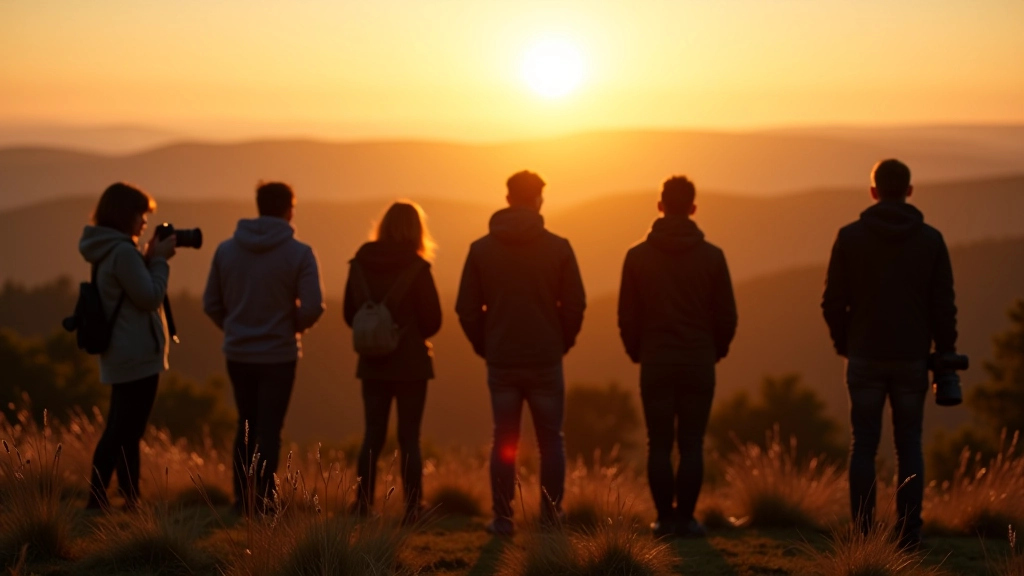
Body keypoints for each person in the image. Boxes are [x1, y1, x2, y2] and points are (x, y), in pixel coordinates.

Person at [822, 159, 958, 549]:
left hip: (863, 355)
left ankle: (863, 535)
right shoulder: (931, 240)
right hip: (912, 357)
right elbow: (943, 305)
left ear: (873, 191)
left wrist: (844, 344)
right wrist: (944, 352)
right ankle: (909, 534)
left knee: (863, 443)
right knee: (909, 443)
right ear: (909, 191)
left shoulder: (849, 237)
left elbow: (832, 302)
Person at [455, 170, 586, 536]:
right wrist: (562, 342)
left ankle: (502, 519)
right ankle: (550, 516)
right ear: (538, 200)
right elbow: (575, 304)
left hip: (502, 358)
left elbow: (466, 308)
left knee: (504, 438)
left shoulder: (481, 249)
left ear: (508, 198)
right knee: (551, 441)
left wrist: (486, 344)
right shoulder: (558, 247)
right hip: (546, 357)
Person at [617, 176, 737, 538]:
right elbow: (727, 315)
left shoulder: (637, 256)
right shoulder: (712, 257)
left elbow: (627, 316)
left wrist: (639, 352)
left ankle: (663, 520)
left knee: (658, 444)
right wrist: (714, 351)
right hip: (699, 361)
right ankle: (685, 519)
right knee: (691, 444)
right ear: (693, 208)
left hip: (655, 361)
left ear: (660, 206)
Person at [203, 181, 324, 512]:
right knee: (269, 428)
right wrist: (291, 327)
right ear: (289, 209)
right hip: (279, 355)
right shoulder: (299, 253)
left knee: (245, 421)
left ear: (259, 206)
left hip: (238, 352)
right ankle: (265, 498)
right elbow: (313, 306)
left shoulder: (226, 250)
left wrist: (233, 329)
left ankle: (241, 498)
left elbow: (211, 302)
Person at [343, 201, 442, 524]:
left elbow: (349, 314)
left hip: (372, 363)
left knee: (372, 433)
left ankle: (362, 504)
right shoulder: (418, 267)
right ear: (417, 230)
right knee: (409, 436)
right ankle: (413, 509)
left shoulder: (360, 263)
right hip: (411, 363)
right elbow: (433, 320)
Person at [80, 182, 177, 510]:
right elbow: (149, 297)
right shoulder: (122, 253)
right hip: (135, 354)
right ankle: (98, 498)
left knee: (124, 428)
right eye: (141, 214)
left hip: (122, 351)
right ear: (125, 214)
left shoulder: (108, 249)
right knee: (123, 429)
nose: (145, 222)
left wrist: (147, 259)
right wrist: (161, 261)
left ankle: (129, 496)